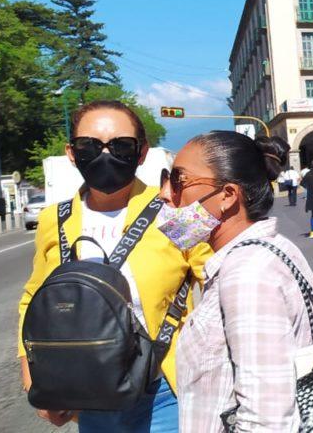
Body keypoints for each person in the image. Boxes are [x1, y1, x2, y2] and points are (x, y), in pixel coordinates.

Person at [18, 100, 211, 432]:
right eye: (89, 146)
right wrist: (34, 379)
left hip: (165, 390)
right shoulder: (55, 219)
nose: (105, 155)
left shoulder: (174, 211)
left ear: (142, 152)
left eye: (121, 145)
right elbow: (34, 299)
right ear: (71, 153)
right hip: (89, 393)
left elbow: (219, 275)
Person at [158, 131, 313, 431]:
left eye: (178, 180)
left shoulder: (248, 273)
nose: (164, 193)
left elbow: (266, 421)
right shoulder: (274, 247)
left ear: (227, 195)